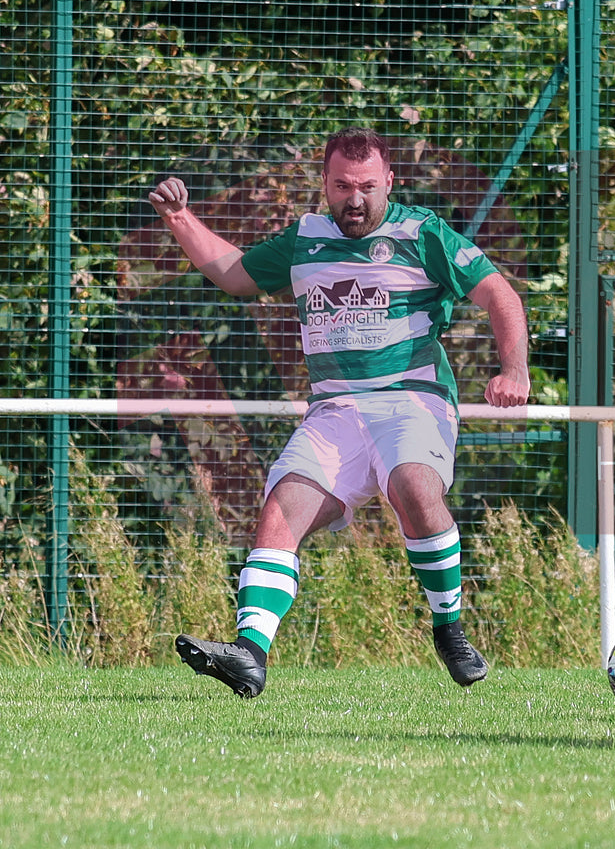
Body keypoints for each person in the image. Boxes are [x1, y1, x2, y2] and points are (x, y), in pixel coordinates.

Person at [150, 127, 531, 698]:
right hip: (335, 410)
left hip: (411, 400)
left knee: (412, 486)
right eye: (342, 186)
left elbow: (501, 295)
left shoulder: (421, 232)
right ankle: (250, 656)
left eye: (368, 187)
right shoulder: (305, 238)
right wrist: (180, 217)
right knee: (280, 509)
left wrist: (514, 368)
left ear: (390, 182)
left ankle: (449, 629)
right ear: (324, 184)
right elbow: (233, 273)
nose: (355, 199)